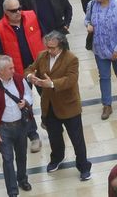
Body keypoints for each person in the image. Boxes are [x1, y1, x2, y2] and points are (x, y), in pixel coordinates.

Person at [32, 30, 89, 178]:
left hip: (69, 106)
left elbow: (71, 79)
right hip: (49, 105)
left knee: (77, 139)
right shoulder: (42, 56)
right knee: (54, 137)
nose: (49, 50)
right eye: (48, 47)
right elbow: (31, 68)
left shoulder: (71, 59)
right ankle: (57, 158)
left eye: (52, 48)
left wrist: (51, 83)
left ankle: (83, 166)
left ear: (61, 46)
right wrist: (30, 76)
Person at [0, 54, 37, 197]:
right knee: (7, 159)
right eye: (10, 68)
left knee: (22, 155)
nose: (13, 70)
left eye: (13, 67)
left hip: (21, 125)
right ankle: (12, 191)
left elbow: (29, 94)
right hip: (4, 129)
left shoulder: (19, 79)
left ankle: (22, 179)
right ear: (0, 71)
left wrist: (25, 101)